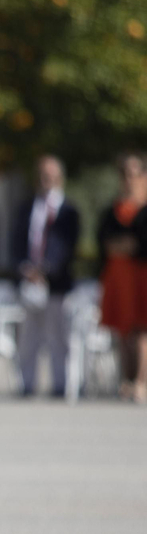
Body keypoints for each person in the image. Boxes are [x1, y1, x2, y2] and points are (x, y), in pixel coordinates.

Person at [12, 155, 80, 398]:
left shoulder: (69, 211)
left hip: (56, 284)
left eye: (51, 176)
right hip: (29, 282)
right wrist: (25, 269)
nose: (46, 180)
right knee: (28, 338)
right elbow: (18, 242)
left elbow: (67, 247)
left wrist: (46, 269)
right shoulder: (26, 207)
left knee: (57, 338)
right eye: (42, 175)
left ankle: (59, 385)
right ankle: (26, 384)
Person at [97, 153, 147, 402]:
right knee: (123, 331)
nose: (129, 179)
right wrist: (126, 244)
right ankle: (126, 380)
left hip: (141, 277)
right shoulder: (112, 211)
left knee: (141, 331)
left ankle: (141, 381)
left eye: (134, 174)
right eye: (124, 174)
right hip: (118, 278)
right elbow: (105, 243)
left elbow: (140, 244)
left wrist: (128, 245)